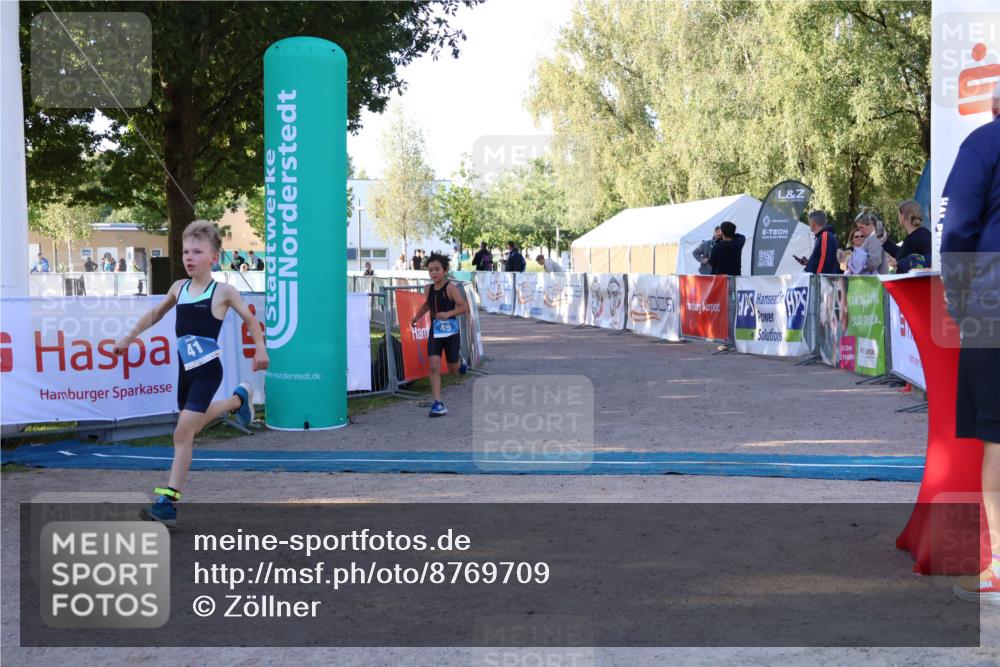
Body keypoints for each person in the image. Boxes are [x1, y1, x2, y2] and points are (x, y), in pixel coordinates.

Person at [114, 220, 268, 527]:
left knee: (182, 433)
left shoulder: (223, 291)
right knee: (191, 429)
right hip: (184, 371)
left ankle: (168, 504)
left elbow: (250, 320)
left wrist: (260, 348)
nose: (189, 257)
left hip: (208, 371)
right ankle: (237, 399)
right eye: (186, 252)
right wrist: (129, 337)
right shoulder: (178, 288)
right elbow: (155, 314)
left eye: (197, 252)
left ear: (213, 258)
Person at [944, 84, 1000, 604]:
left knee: (997, 433)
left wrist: (958, 300)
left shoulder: (983, 143)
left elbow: (959, 227)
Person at [408, 252, 469, 417]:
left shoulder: (450, 288)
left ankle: (460, 363)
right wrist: (416, 317)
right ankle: (437, 403)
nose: (433, 273)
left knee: (453, 370)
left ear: (445, 270)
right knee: (434, 365)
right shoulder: (428, 288)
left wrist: (448, 313)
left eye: (437, 269)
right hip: (435, 332)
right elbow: (428, 304)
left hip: (451, 332)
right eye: (430, 270)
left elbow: (464, 307)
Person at [887, 200, 932, 274]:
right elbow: (901, 254)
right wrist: (885, 242)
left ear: (902, 216)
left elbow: (930, 258)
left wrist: (901, 263)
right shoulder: (913, 236)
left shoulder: (922, 235)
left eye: (898, 214)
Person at [798, 210, 842, 274]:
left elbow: (823, 261)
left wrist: (816, 277)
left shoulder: (825, 236)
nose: (809, 225)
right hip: (822, 277)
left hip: (821, 278)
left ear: (813, 224)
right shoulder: (823, 236)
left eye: (809, 223)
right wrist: (808, 263)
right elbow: (820, 260)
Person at [854, 209, 890, 275]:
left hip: (876, 280)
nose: (860, 231)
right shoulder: (872, 237)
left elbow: (874, 262)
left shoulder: (875, 237)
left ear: (871, 224)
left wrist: (855, 260)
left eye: (861, 227)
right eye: (859, 228)